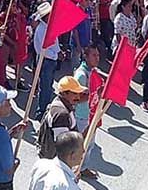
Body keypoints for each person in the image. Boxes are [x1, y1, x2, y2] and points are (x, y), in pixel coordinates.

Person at [37, 76, 87, 159]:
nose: (78, 97)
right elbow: (63, 145)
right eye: (74, 93)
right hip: (54, 163)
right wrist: (89, 129)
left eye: (79, 93)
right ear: (64, 93)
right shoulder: (61, 115)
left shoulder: (61, 103)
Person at [33, 2, 65, 120]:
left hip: (50, 60)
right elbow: (42, 50)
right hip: (45, 60)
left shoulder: (49, 27)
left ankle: (45, 108)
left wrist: (59, 51)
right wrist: (56, 55)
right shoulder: (41, 30)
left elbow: (54, 42)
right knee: (45, 87)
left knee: (49, 86)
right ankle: (41, 111)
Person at [73, 45, 101, 179]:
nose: (97, 58)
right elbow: (76, 98)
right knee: (83, 144)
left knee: (90, 143)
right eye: (94, 55)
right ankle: (77, 168)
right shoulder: (81, 75)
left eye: (98, 55)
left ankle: (83, 167)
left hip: (91, 114)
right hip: (82, 116)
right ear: (86, 56)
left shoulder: (92, 72)